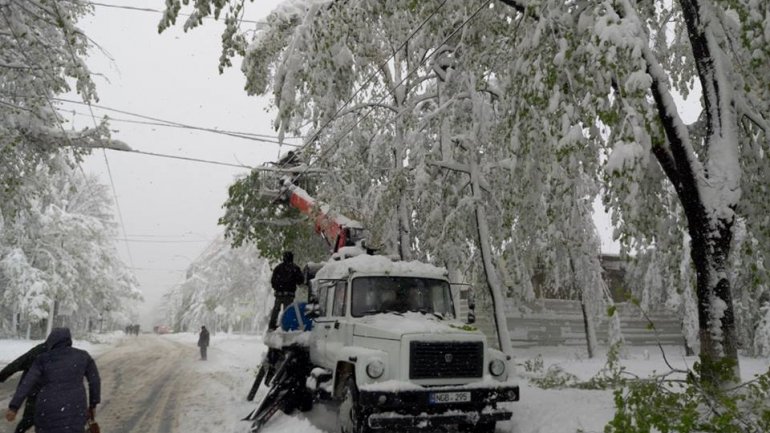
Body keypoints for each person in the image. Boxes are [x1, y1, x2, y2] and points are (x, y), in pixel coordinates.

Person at [5, 328, 100, 433]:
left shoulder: (42, 359)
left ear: (51, 341)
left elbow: (27, 383)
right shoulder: (83, 356)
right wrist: (93, 405)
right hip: (75, 410)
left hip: (46, 411)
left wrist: (14, 407)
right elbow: (95, 381)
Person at [0, 342, 47, 433]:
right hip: (47, 393)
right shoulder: (65, 354)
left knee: (28, 420)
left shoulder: (39, 350)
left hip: (34, 391)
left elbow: (18, 363)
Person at [268, 251, 304, 331]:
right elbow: (300, 281)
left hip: (279, 294)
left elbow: (273, 281)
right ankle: (286, 326)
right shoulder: (295, 268)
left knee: (276, 309)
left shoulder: (278, 268)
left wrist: (277, 288)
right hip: (289, 294)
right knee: (287, 311)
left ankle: (272, 326)